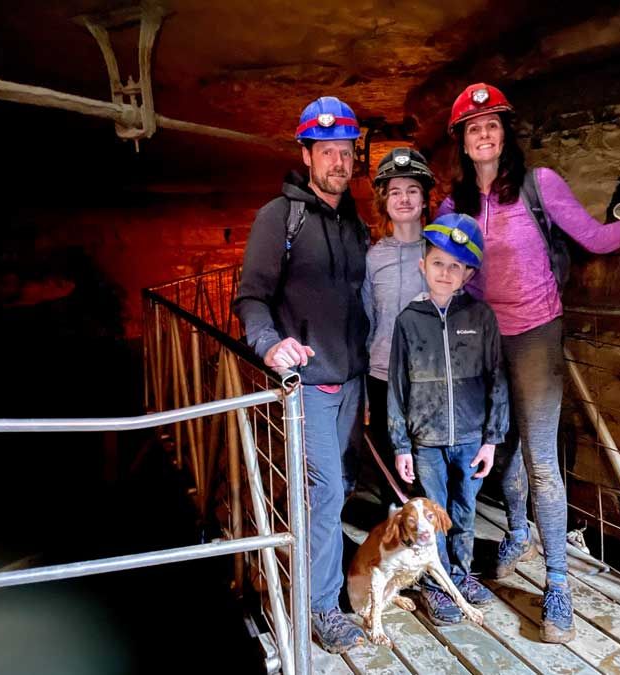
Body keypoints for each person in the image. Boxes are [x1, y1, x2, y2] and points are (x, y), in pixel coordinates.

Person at [439, 82, 620, 643]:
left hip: (535, 333)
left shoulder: (540, 185)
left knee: (539, 460)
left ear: (504, 134)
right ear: (461, 142)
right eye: (472, 128)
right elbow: (438, 268)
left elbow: (595, 238)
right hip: (484, 341)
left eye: (492, 126)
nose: (483, 135)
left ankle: (557, 586)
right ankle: (516, 533)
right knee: (502, 447)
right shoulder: (454, 205)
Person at [233, 96, 371, 653]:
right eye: (328, 152)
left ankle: (326, 576)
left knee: (339, 486)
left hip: (353, 380)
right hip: (311, 383)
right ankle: (321, 606)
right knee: (325, 488)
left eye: (346, 153)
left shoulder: (354, 221)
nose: (339, 162)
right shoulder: (279, 217)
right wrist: (269, 344)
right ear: (308, 155)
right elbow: (251, 298)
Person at [387, 213, 509, 626]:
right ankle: (436, 586)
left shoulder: (481, 318)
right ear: (423, 265)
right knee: (431, 515)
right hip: (425, 439)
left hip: (471, 436)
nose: (445, 272)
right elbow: (396, 388)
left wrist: (492, 439)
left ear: (468, 274)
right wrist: (401, 444)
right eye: (438, 262)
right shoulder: (407, 321)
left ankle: (460, 572)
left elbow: (497, 378)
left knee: (465, 509)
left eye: (455, 266)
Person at [361, 147, 435, 508]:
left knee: (428, 462)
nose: (403, 199)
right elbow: (367, 317)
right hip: (383, 374)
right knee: (391, 462)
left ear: (424, 199)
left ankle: (436, 542)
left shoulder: (440, 251)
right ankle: (396, 538)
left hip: (430, 376)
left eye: (411, 191)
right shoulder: (374, 258)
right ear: (384, 202)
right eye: (394, 192)